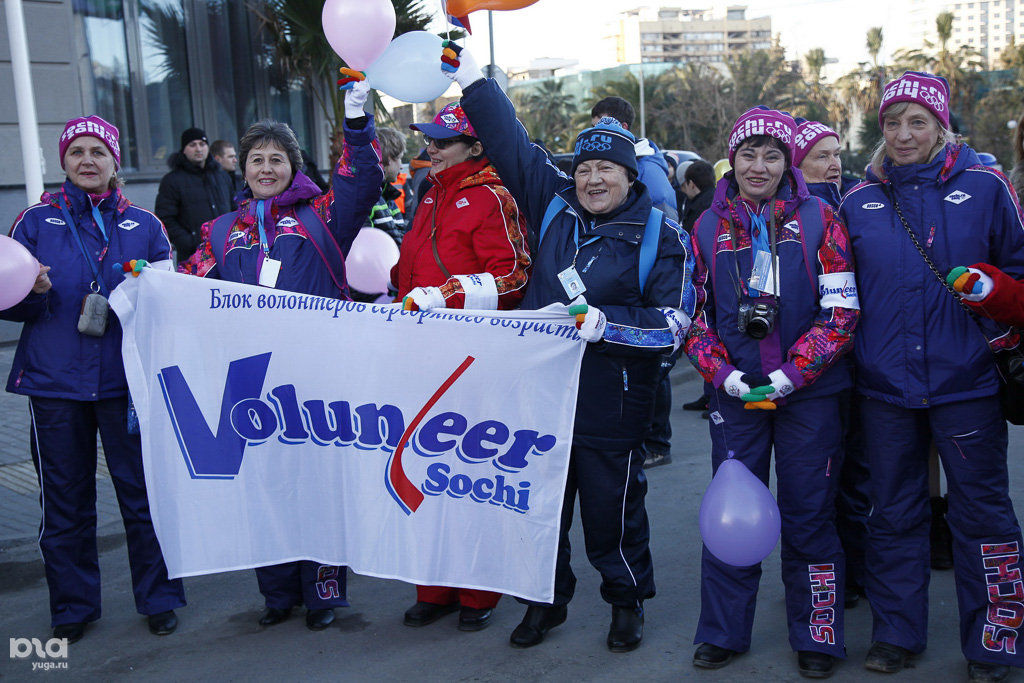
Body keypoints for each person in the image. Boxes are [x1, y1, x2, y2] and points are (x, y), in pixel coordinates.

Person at [444, 44, 695, 653]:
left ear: (630, 176)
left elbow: (675, 324)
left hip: (613, 398)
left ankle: (626, 601)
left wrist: (607, 325)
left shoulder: (662, 234)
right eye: (584, 169)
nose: (593, 179)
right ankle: (545, 601)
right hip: (538, 399)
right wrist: (474, 78)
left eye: (606, 169)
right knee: (539, 513)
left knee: (612, 515)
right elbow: (509, 141)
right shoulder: (551, 202)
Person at [840, 71, 1024, 681]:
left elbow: (1020, 278)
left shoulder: (987, 185)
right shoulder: (858, 199)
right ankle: (897, 632)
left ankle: (995, 639)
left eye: (917, 121)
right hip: (885, 389)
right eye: (892, 122)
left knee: (983, 514)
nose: (903, 133)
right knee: (892, 513)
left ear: (941, 127)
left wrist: (996, 289)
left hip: (967, 383)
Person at [179, 81, 383, 630]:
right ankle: (276, 594)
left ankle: (322, 593)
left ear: (293, 166)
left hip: (317, 377)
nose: (265, 168)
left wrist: (358, 128)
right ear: (241, 169)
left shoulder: (324, 216)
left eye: (276, 159)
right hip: (250, 381)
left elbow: (362, 180)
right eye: (255, 160)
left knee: (318, 484)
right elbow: (187, 289)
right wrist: (141, 289)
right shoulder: (221, 231)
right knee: (264, 486)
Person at [686, 106, 860, 678]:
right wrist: (723, 375)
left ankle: (818, 631)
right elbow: (693, 316)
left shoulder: (820, 218)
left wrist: (793, 373)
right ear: (730, 158)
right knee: (731, 515)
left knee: (810, 513)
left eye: (772, 154)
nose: (758, 166)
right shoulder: (708, 226)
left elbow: (841, 310)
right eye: (747, 154)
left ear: (789, 162)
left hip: (809, 394)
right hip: (736, 395)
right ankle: (722, 631)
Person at [0, 115, 186, 644]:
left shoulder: (146, 225)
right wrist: (31, 294)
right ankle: (73, 607)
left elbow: (167, 305)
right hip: (54, 385)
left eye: (98, 152)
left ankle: (159, 597)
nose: (87, 160)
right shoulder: (33, 221)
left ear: (114, 162)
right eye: (77, 151)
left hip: (126, 383)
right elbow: (8, 306)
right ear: (63, 161)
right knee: (64, 500)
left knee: (142, 495)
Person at [394, 101, 530, 632]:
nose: (431, 147)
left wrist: (445, 295)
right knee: (428, 472)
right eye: (429, 139)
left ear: (475, 147)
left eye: (442, 141)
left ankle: (479, 591)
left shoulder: (492, 196)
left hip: (475, 360)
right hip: (424, 355)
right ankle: (435, 587)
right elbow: (416, 268)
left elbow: (514, 276)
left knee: (471, 476)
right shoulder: (431, 193)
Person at [591, 96, 679, 221]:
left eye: (601, 128)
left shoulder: (649, 170)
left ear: (623, 128)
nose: (594, 135)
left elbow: (665, 226)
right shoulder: (612, 162)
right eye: (593, 128)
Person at [155, 128, 234, 261]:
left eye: (202, 144)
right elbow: (165, 218)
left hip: (226, 252)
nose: (198, 149)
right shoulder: (172, 180)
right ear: (184, 149)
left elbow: (234, 209)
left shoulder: (222, 176)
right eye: (192, 145)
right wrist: (189, 242)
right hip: (193, 257)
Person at [678, 160, 717, 416]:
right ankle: (708, 395)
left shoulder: (702, 210)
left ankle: (713, 396)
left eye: (684, 185)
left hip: (707, 283)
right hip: (711, 282)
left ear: (692, 184)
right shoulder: (713, 202)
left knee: (712, 340)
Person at [368, 127, 409, 247]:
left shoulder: (386, 196)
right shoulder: (365, 198)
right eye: (400, 158)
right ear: (389, 157)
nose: (401, 166)